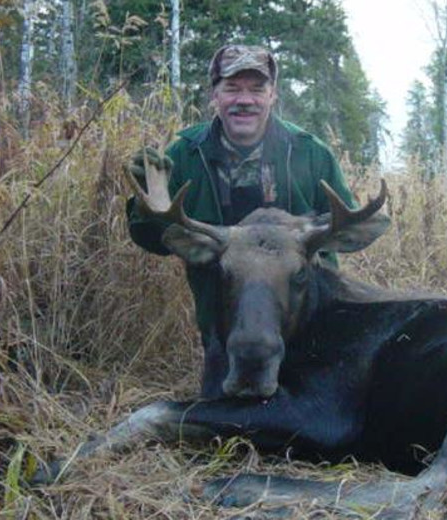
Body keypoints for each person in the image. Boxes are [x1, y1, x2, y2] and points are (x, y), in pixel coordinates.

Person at [126, 44, 356, 399]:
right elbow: (153, 240)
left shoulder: (310, 153)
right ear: (214, 95)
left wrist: (313, 236)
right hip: (226, 328)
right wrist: (146, 201)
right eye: (232, 88)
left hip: (307, 325)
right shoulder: (186, 155)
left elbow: (349, 230)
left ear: (273, 95)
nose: (244, 99)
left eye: (256, 88)